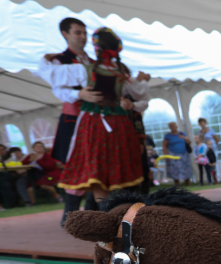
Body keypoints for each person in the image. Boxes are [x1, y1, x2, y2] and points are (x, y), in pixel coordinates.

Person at [38, 27, 150, 201]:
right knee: (120, 168)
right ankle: (124, 214)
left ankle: (104, 213)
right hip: (119, 125)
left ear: (96, 47)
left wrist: (45, 60)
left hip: (94, 124)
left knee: (97, 170)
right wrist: (143, 81)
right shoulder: (121, 73)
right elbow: (139, 92)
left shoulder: (85, 70)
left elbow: (49, 74)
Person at [40, 17, 101, 223]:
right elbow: (58, 90)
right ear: (65, 34)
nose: (83, 37)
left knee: (97, 165)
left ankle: (93, 214)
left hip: (96, 120)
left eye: (84, 33)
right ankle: (70, 216)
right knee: (76, 165)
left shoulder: (94, 62)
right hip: (73, 119)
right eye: (77, 33)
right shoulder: (58, 61)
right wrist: (79, 95)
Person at [162, 122, 194, 186]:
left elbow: (189, 142)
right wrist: (166, 156)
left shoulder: (182, 134)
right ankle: (177, 183)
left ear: (176, 126)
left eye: (173, 126)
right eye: (171, 126)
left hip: (184, 154)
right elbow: (164, 146)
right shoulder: (168, 136)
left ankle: (187, 182)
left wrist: (184, 138)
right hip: (173, 154)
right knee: (174, 169)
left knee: (185, 168)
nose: (172, 127)